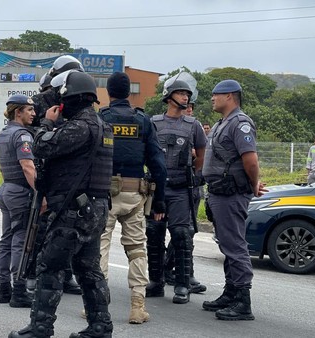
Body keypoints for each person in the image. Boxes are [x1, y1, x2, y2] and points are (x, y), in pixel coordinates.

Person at [9, 70, 114, 338]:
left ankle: (40, 328)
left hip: (73, 211)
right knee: (88, 268)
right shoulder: (104, 126)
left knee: (50, 265)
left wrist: (46, 122)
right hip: (95, 208)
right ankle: (100, 326)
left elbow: (42, 146)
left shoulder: (80, 127)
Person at [98, 72, 167, 324]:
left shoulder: (101, 118)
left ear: (109, 92)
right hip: (135, 194)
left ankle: (96, 305)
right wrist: (159, 199)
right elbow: (158, 164)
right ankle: (137, 307)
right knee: (137, 249)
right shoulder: (143, 121)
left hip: (104, 195)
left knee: (99, 248)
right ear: (128, 93)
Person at [201, 79, 267, 321]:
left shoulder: (240, 123)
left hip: (231, 194)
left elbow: (250, 161)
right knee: (227, 244)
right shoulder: (223, 123)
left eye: (215, 94)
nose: (212, 98)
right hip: (220, 192)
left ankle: (242, 299)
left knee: (235, 245)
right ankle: (230, 292)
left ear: (229, 96)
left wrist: (252, 184)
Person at [146, 78, 207, 304]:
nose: (186, 97)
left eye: (187, 94)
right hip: (157, 188)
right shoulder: (153, 123)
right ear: (169, 96)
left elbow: (201, 153)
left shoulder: (193, 125)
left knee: (181, 235)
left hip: (181, 189)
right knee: (153, 233)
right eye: (181, 93)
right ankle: (156, 281)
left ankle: (182, 284)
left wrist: (196, 175)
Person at [28, 55, 85, 296]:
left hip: (70, 173)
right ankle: (31, 274)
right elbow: (30, 133)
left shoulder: (77, 101)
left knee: (69, 229)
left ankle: (67, 274)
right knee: (40, 227)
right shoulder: (40, 102)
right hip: (44, 167)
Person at [0, 94, 37, 308]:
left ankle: (3, 289)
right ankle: (19, 291)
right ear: (18, 112)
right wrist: (40, 192)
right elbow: (28, 166)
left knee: (6, 240)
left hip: (6, 189)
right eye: (29, 110)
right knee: (20, 240)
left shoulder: (3, 133)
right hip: (20, 192)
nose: (33, 114)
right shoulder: (22, 135)